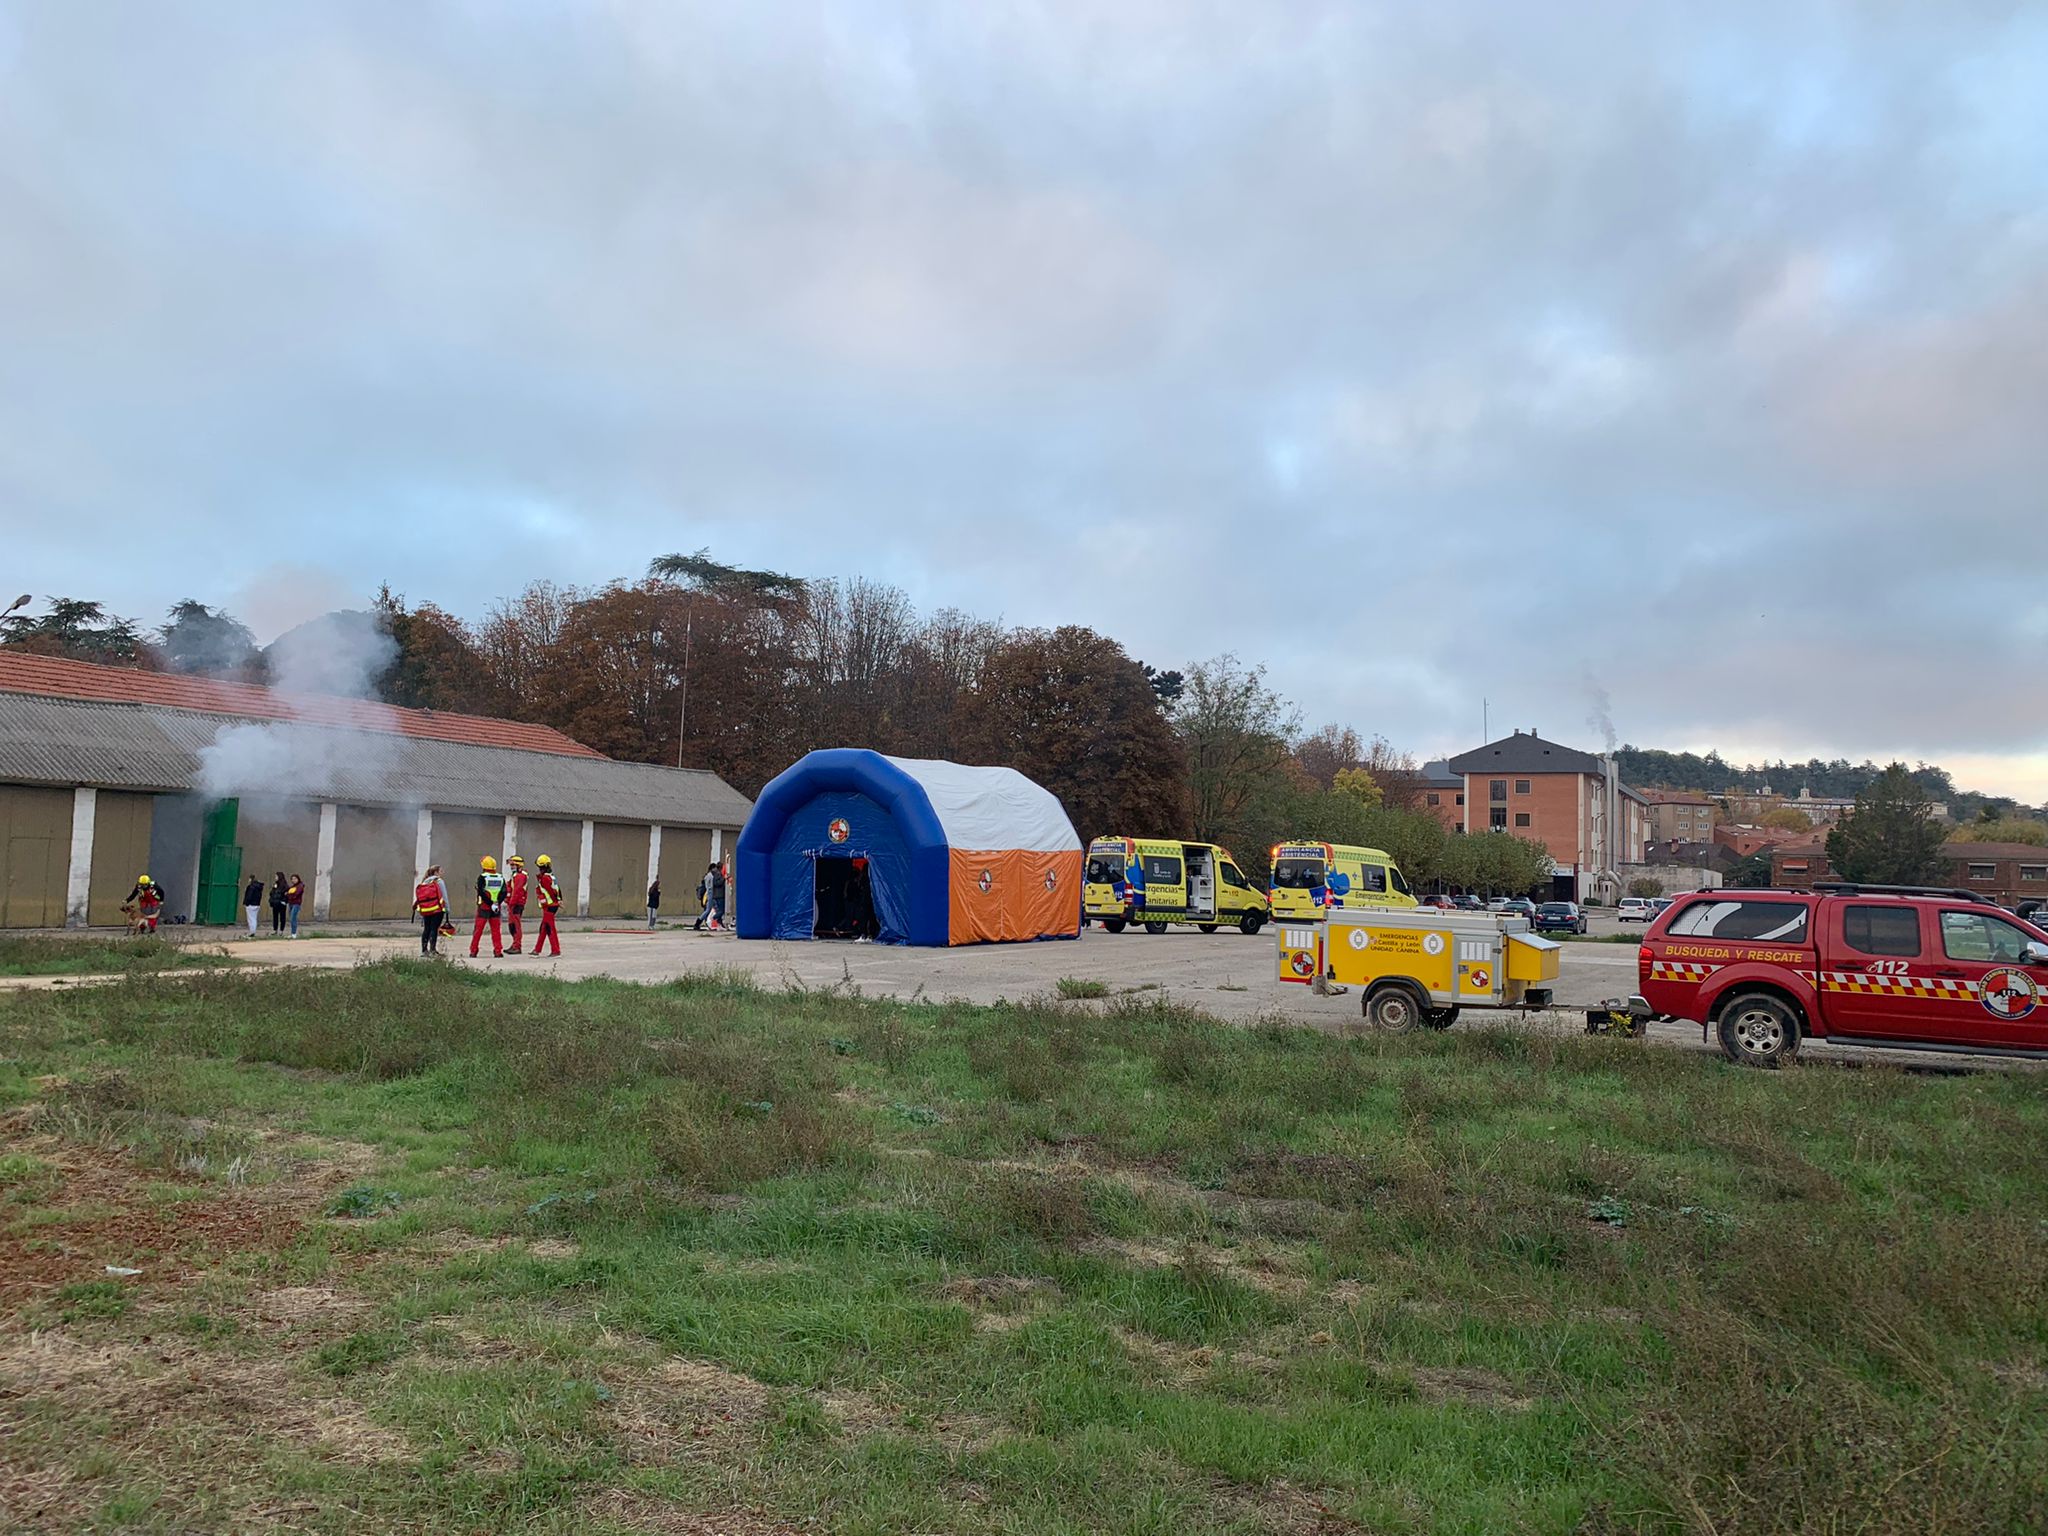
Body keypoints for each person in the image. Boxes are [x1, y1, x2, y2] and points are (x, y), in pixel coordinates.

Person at [471, 855, 507, 957]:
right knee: (496, 931)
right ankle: (498, 951)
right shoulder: (500, 877)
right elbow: (504, 892)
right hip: (496, 907)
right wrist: (496, 903)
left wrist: (490, 903)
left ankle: (474, 951)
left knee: (478, 930)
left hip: (484, 907)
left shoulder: (482, 877)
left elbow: (481, 892)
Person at [530, 854, 563, 957]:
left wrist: (557, 901)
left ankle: (556, 950)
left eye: (540, 867)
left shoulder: (545, 878)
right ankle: (537, 949)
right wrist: (560, 900)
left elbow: (551, 891)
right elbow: (558, 889)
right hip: (551, 905)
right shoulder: (551, 876)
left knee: (549, 928)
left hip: (549, 906)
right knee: (544, 928)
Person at [412, 864, 447, 955]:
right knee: (434, 929)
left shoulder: (424, 882)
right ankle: (433, 950)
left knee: (427, 928)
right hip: (437, 909)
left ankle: (424, 950)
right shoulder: (439, 881)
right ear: (436, 872)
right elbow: (444, 895)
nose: (442, 873)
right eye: (441, 871)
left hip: (426, 910)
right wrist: (447, 908)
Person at [503, 854, 528, 954]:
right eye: (511, 865)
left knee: (516, 926)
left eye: (513, 865)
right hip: (512, 903)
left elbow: (517, 891)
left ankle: (517, 946)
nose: (511, 867)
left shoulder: (521, 876)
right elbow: (510, 888)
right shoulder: (515, 876)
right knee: (512, 926)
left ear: (519, 865)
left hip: (516, 904)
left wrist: (511, 902)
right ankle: (514, 944)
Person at [707, 861, 727, 932]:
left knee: (720, 910)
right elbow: (717, 883)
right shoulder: (718, 874)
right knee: (721, 911)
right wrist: (724, 879)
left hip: (719, 894)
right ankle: (712, 918)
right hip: (719, 895)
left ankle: (719, 924)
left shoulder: (718, 874)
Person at [242, 873, 264, 937]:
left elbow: (249, 896)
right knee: (254, 918)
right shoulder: (259, 887)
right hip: (257, 904)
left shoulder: (251, 887)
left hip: (251, 904)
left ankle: (252, 932)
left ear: (251, 879)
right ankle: (253, 931)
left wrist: (246, 903)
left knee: (251, 919)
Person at [269, 870, 288, 934]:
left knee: (282, 917)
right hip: (275, 903)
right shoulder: (275, 884)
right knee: (275, 917)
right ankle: (275, 929)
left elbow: (286, 894)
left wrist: (284, 901)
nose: (275, 877)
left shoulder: (284, 885)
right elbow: (272, 893)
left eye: (276, 876)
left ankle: (281, 930)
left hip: (281, 903)